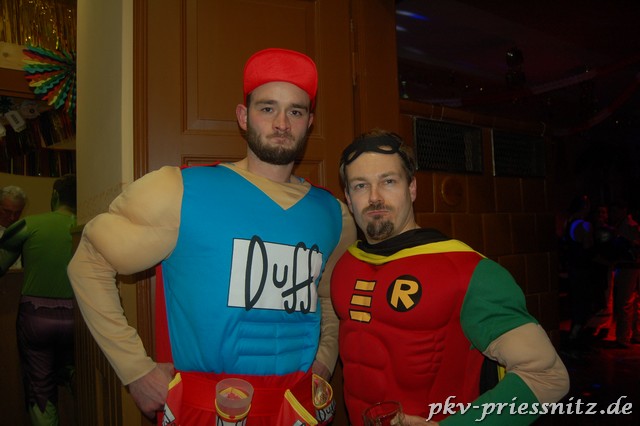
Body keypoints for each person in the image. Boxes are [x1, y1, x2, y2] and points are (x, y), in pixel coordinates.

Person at [67, 48, 356, 425]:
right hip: (206, 411)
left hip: (301, 410)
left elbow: (330, 296)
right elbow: (88, 263)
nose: (282, 123)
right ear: (243, 116)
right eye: (268, 108)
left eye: (296, 112)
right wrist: (134, 369)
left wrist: (325, 359)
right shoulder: (178, 190)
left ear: (309, 122)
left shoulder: (333, 214)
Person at [331, 130, 569, 425]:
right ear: (348, 198)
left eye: (388, 181)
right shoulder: (344, 266)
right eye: (360, 185)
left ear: (412, 188)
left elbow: (547, 376)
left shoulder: (468, 271)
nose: (374, 197)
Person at [0, 175, 77, 426]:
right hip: (78, 318)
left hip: (36, 318)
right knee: (81, 378)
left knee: (39, 387)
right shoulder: (86, 226)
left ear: (54, 196)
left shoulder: (29, 224)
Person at [608, 199, 640, 348]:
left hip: (629, 267)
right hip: (630, 266)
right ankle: (633, 334)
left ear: (623, 210)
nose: (612, 214)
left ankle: (623, 337)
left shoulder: (629, 226)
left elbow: (632, 247)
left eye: (615, 211)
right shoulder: (626, 225)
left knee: (625, 301)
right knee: (632, 301)